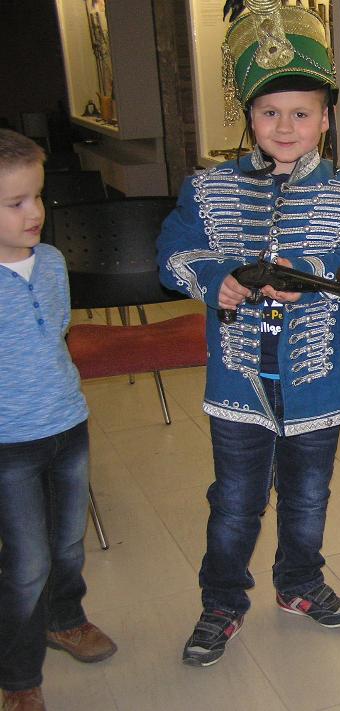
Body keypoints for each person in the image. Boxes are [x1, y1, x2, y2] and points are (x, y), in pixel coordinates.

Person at [156, 3, 340, 668]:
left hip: (317, 383)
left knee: (309, 495)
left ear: (326, 118)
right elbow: (172, 255)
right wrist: (218, 279)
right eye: (269, 113)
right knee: (234, 500)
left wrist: (310, 274)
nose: (285, 127)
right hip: (237, 382)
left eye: (302, 113)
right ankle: (222, 601)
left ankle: (299, 581)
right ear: (249, 116)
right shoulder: (208, 189)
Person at [0, 128, 117, 711]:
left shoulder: (51, 261)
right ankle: (18, 675)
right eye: (15, 203)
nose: (35, 213)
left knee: (68, 543)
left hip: (68, 425)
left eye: (38, 197)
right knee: (26, 564)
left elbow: (58, 332)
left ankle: (65, 618)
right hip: (9, 444)